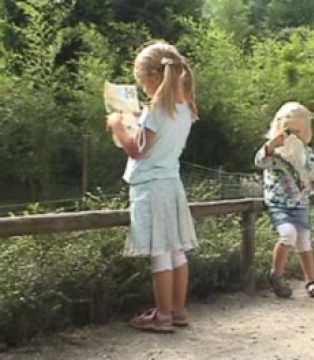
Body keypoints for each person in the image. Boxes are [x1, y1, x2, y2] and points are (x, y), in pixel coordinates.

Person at [106, 40, 198, 332]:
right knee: (176, 251)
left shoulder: (156, 110)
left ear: (152, 77)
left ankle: (162, 315)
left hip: (150, 187)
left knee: (160, 252)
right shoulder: (184, 109)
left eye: (142, 80)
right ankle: (178, 310)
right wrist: (138, 120)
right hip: (171, 183)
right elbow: (157, 138)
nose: (142, 86)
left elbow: (137, 150)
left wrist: (118, 126)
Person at [255, 101, 314, 299]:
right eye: (288, 130)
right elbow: (259, 161)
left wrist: (303, 165)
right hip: (279, 203)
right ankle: (276, 275)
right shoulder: (274, 153)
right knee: (288, 235)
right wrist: (271, 145)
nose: (292, 135)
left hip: (300, 202)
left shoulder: (306, 152)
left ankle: (311, 280)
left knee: (304, 241)